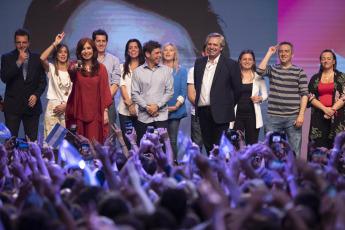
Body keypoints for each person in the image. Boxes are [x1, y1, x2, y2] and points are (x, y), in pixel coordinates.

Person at [257, 42, 308, 157]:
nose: (283, 54)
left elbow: (305, 94)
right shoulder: (273, 69)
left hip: (293, 119)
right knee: (272, 153)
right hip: (273, 118)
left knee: (295, 152)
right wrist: (269, 53)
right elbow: (259, 71)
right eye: (281, 51)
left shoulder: (299, 72)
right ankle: (273, 175)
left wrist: (301, 115)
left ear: (292, 54)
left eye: (286, 51)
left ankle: (294, 175)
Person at [194, 33, 242, 154]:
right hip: (203, 111)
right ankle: (211, 170)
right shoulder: (199, 63)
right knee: (208, 145)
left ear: (221, 47)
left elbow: (238, 90)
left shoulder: (231, 64)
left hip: (222, 113)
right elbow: (197, 85)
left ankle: (220, 171)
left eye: (215, 44)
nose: (212, 47)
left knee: (220, 146)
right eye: (209, 44)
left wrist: (226, 104)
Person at [0, 28, 47, 141]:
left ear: (29, 43)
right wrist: (19, 62)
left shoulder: (37, 58)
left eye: (24, 42)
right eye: (18, 42)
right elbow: (5, 78)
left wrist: (36, 95)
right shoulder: (7, 57)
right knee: (10, 141)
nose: (21, 45)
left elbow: (42, 82)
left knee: (32, 142)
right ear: (14, 43)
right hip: (12, 107)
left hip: (32, 107)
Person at [65, 37, 113, 144]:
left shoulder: (101, 68)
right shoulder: (75, 66)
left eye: (89, 48)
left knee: (94, 145)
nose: (86, 51)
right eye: (83, 49)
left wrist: (105, 112)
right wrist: (76, 67)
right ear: (79, 52)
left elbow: (105, 91)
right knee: (79, 145)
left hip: (95, 113)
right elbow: (71, 70)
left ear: (93, 50)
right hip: (79, 112)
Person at [131, 40, 174, 141]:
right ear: (147, 54)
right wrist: (147, 108)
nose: (160, 55)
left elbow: (169, 92)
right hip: (143, 119)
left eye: (160, 52)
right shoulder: (138, 72)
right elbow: (134, 93)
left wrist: (157, 106)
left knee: (162, 152)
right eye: (157, 53)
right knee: (144, 151)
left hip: (161, 118)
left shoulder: (166, 70)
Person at [308, 50, 345, 149]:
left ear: (333, 61)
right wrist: (325, 109)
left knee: (337, 151)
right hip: (319, 118)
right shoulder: (315, 78)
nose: (326, 61)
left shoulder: (342, 77)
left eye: (328, 58)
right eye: (323, 59)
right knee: (318, 152)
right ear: (320, 61)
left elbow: (344, 96)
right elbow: (310, 96)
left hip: (338, 118)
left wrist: (332, 110)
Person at [230, 49, 268, 145]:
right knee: (235, 145)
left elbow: (265, 94)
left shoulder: (258, 76)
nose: (247, 62)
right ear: (240, 61)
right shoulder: (234, 76)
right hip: (236, 115)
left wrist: (260, 98)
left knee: (252, 146)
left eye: (250, 59)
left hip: (252, 116)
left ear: (253, 62)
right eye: (244, 59)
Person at [40, 32, 72, 141]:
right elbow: (42, 58)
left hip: (67, 108)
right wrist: (55, 43)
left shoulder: (72, 70)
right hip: (53, 110)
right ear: (56, 54)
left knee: (65, 144)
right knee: (53, 143)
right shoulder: (52, 68)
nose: (63, 54)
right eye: (60, 52)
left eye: (65, 52)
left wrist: (66, 106)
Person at [92, 29, 121, 142]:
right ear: (93, 42)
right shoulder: (87, 59)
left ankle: (109, 159)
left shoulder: (114, 60)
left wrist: (103, 101)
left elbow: (115, 83)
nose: (101, 43)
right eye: (98, 41)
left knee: (110, 137)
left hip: (109, 103)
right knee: (92, 136)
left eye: (103, 41)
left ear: (107, 42)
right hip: (90, 103)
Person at [118, 39, 145, 149]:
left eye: (135, 47)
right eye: (130, 47)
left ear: (139, 49)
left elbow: (144, 88)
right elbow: (122, 85)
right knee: (127, 141)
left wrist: (133, 103)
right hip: (124, 111)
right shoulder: (122, 67)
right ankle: (128, 165)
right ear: (127, 51)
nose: (133, 49)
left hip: (142, 111)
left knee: (140, 141)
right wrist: (129, 105)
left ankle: (140, 165)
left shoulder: (145, 67)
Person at [161, 43, 187, 158]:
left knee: (172, 141)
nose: (168, 52)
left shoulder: (181, 71)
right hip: (159, 111)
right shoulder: (157, 70)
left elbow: (183, 92)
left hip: (175, 111)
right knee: (159, 141)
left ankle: (173, 164)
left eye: (171, 50)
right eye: (165, 50)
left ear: (174, 54)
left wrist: (175, 107)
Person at [187, 45, 208, 151]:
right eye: (208, 51)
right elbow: (191, 95)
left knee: (214, 146)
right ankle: (196, 168)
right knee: (196, 144)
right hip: (198, 113)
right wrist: (204, 107)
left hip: (216, 114)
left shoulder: (222, 70)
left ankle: (215, 168)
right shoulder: (193, 70)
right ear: (203, 54)